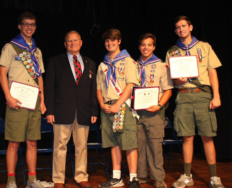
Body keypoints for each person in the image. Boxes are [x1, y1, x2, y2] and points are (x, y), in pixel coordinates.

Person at [165, 15, 224, 188]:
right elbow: (172, 79)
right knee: (187, 137)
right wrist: (178, 80)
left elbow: (212, 72)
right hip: (183, 96)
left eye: (183, 26)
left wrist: (216, 95)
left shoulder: (204, 47)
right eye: (177, 27)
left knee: (207, 136)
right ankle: (187, 175)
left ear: (190, 27)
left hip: (202, 94)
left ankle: (214, 177)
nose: (180, 29)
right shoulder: (172, 51)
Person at [0, 11, 46, 188]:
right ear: (19, 26)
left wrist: (43, 100)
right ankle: (11, 180)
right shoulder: (10, 47)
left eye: (32, 24)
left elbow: (40, 77)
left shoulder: (37, 51)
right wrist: (8, 97)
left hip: (34, 101)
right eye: (26, 24)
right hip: (16, 102)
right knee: (14, 143)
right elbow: (2, 73)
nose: (29, 27)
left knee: (32, 142)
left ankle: (32, 180)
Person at [45, 30, 98, 188]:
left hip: (84, 110)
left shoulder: (90, 63)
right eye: (69, 41)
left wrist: (94, 111)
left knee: (82, 146)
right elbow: (49, 88)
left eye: (75, 40)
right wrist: (49, 111)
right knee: (59, 146)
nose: (72, 43)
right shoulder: (55, 61)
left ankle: (81, 176)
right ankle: (58, 179)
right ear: (65, 44)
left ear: (81, 42)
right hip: (61, 110)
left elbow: (93, 89)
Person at [96, 28, 140, 188]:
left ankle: (133, 178)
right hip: (106, 107)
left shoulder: (128, 61)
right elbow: (99, 88)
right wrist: (102, 104)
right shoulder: (103, 65)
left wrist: (117, 105)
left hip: (122, 106)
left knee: (128, 142)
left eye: (113, 40)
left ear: (119, 41)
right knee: (113, 142)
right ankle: (116, 177)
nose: (109, 43)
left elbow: (130, 85)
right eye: (107, 41)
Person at [135, 33, 173, 188]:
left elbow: (168, 90)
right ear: (139, 47)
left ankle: (158, 178)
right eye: (143, 44)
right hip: (136, 112)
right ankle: (141, 175)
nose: (146, 48)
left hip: (155, 112)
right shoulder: (133, 65)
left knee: (155, 146)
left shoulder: (161, 66)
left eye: (149, 45)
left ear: (154, 47)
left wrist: (159, 105)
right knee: (139, 145)